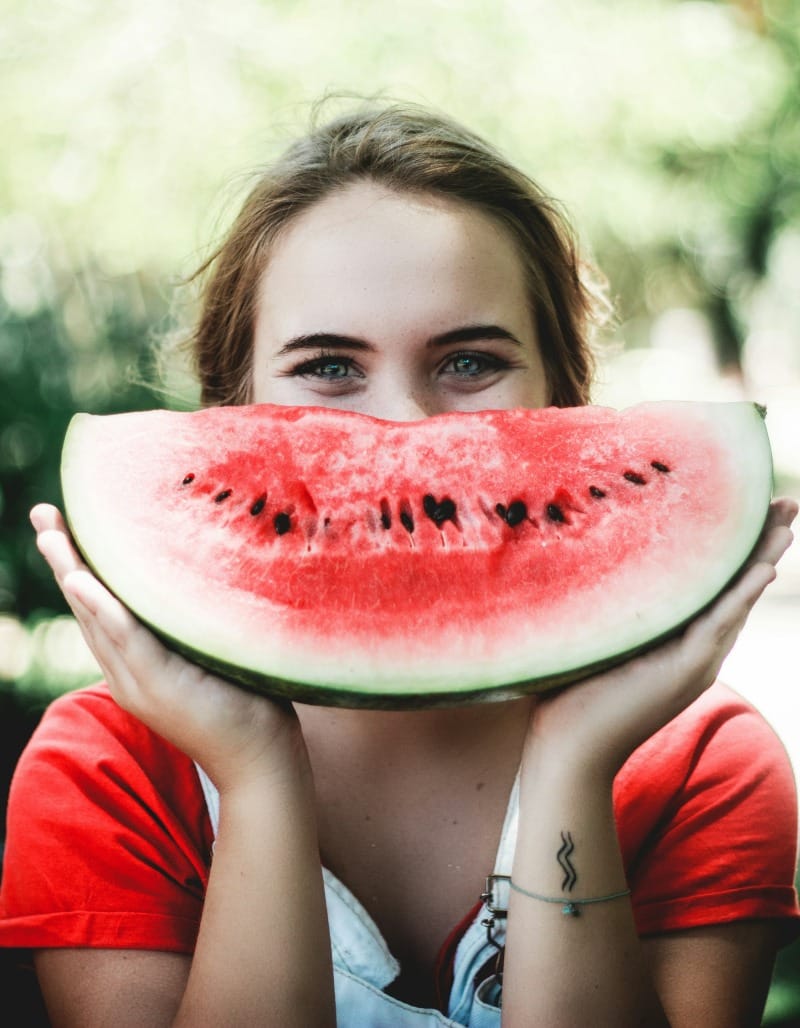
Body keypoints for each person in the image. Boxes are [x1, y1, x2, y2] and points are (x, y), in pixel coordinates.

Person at [1, 102, 798, 1028]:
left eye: (469, 360)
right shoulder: (112, 769)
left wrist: (574, 762)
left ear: (565, 400)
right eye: (330, 368)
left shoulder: (700, 764)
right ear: (231, 410)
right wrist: (256, 775)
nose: (405, 432)